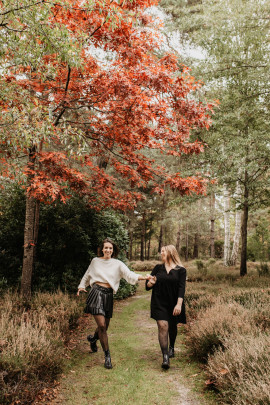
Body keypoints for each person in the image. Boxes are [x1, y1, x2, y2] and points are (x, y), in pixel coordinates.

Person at [77, 238, 150, 369]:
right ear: (102, 249)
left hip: (108, 296)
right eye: (106, 248)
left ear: (113, 250)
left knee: (105, 326)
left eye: (110, 248)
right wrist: (81, 286)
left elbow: (129, 275)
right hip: (96, 293)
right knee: (102, 326)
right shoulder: (95, 261)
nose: (108, 250)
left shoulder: (118, 264)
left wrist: (144, 277)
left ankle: (93, 339)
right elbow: (87, 275)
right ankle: (107, 357)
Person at [146, 245, 186, 370]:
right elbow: (147, 286)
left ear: (170, 252)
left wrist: (179, 304)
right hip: (159, 302)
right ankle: (165, 357)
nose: (161, 253)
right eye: (161, 251)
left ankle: (172, 347)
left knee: (172, 326)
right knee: (163, 326)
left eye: (163, 251)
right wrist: (151, 283)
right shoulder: (158, 268)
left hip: (174, 302)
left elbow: (181, 288)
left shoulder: (181, 270)